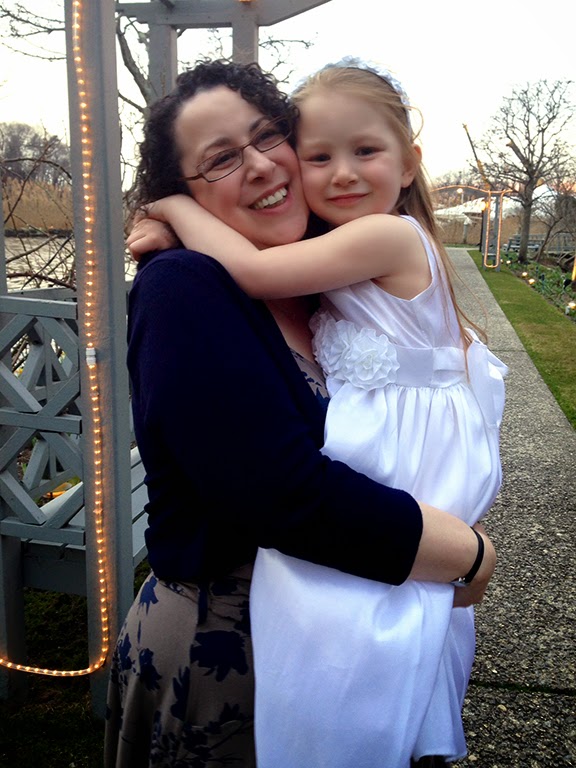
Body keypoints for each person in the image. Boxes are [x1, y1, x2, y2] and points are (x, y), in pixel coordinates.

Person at [105, 58, 497, 768]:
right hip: (228, 656)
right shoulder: (184, 287)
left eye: (268, 136)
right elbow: (282, 495)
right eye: (221, 159)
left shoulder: (327, 278)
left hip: (357, 632)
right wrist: (466, 555)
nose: (260, 164)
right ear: (184, 189)